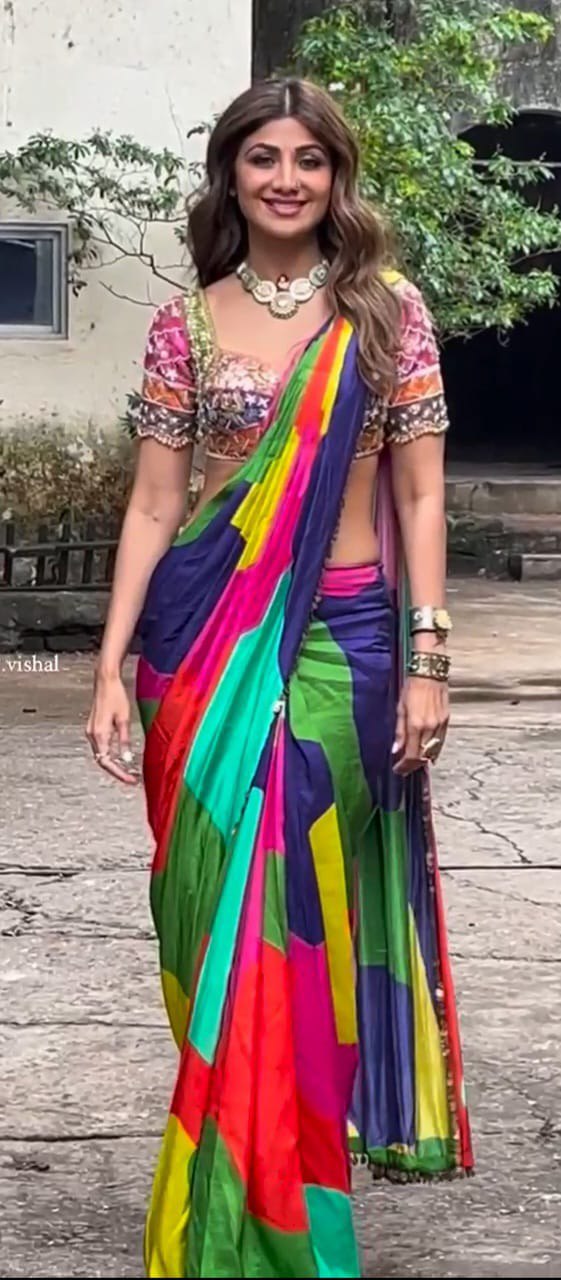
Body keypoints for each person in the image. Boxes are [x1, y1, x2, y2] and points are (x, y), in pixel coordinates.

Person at [86, 76, 473, 1280]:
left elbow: (421, 495)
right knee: (206, 911)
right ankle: (233, 1184)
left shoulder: (388, 314)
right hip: (199, 649)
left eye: (310, 159)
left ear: (337, 175)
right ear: (232, 174)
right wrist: (109, 665)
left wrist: (427, 660)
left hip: (345, 646)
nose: (288, 179)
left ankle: (285, 1218)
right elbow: (156, 504)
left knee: (295, 920)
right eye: (265, 158)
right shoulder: (184, 325)